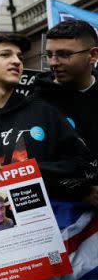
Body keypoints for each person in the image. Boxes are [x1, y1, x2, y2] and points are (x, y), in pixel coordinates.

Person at [0, 34, 94, 199]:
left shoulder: (44, 111)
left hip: (54, 221)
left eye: (20, 57)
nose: (17, 61)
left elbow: (85, 166)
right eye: (5, 55)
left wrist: (27, 172)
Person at [31, 21, 98, 207]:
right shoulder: (35, 104)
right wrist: (80, 191)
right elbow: (32, 167)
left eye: (64, 54)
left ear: (92, 55)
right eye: (49, 55)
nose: (53, 62)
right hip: (65, 219)